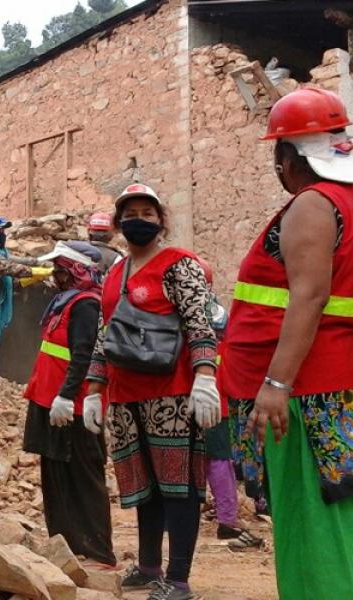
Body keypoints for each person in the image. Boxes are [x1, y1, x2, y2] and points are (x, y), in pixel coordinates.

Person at [219, 87, 353, 600]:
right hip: (332, 385)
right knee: (335, 516)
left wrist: (276, 383)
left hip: (306, 395)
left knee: (312, 522)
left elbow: (310, 294)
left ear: (287, 157)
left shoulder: (314, 205)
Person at [85, 183, 220, 600]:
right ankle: (148, 567)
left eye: (147, 213)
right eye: (130, 213)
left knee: (178, 485)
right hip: (125, 395)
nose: (138, 220)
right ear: (117, 221)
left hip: (173, 393)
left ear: (161, 220)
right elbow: (105, 332)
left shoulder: (180, 265)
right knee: (142, 483)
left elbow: (199, 319)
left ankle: (178, 580)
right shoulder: (114, 273)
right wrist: (94, 388)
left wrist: (205, 375)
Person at [23, 241, 116, 566]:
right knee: (57, 474)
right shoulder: (65, 302)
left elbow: (84, 353)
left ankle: (96, 551)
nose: (55, 275)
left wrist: (66, 394)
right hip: (52, 400)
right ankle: (65, 546)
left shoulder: (86, 305)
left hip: (73, 405)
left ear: (75, 270)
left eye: (60, 269)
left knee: (82, 475)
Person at [195, 256, 263, 550]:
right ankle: (227, 519)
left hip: (197, 399)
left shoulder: (186, 312)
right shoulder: (219, 313)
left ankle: (225, 518)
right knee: (219, 460)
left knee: (211, 461)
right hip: (218, 400)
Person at [0, 213, 49, 412]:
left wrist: (33, 273)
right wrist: (38, 272)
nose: (3, 234)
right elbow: (8, 268)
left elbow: (11, 274)